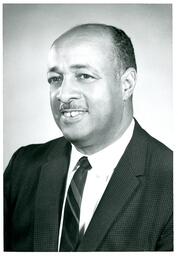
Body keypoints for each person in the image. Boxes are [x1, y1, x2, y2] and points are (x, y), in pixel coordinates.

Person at [4, 23, 173, 252]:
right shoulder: (23, 167)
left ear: (127, 84)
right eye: (55, 78)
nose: (63, 94)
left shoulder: (171, 182)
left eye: (84, 75)